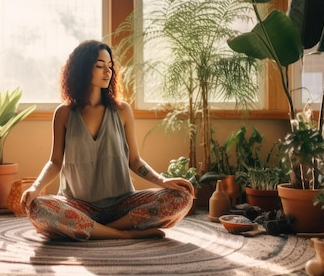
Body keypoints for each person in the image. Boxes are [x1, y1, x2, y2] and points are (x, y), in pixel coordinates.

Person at [20, 40, 195, 240]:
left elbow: (135, 161)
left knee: (182, 197)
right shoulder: (64, 113)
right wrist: (34, 188)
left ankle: (94, 230)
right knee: (38, 207)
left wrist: (163, 180)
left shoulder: (122, 110)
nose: (108, 71)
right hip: (77, 205)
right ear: (83, 69)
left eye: (110, 66)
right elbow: (55, 161)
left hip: (122, 205)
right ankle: (123, 234)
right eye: (100, 66)